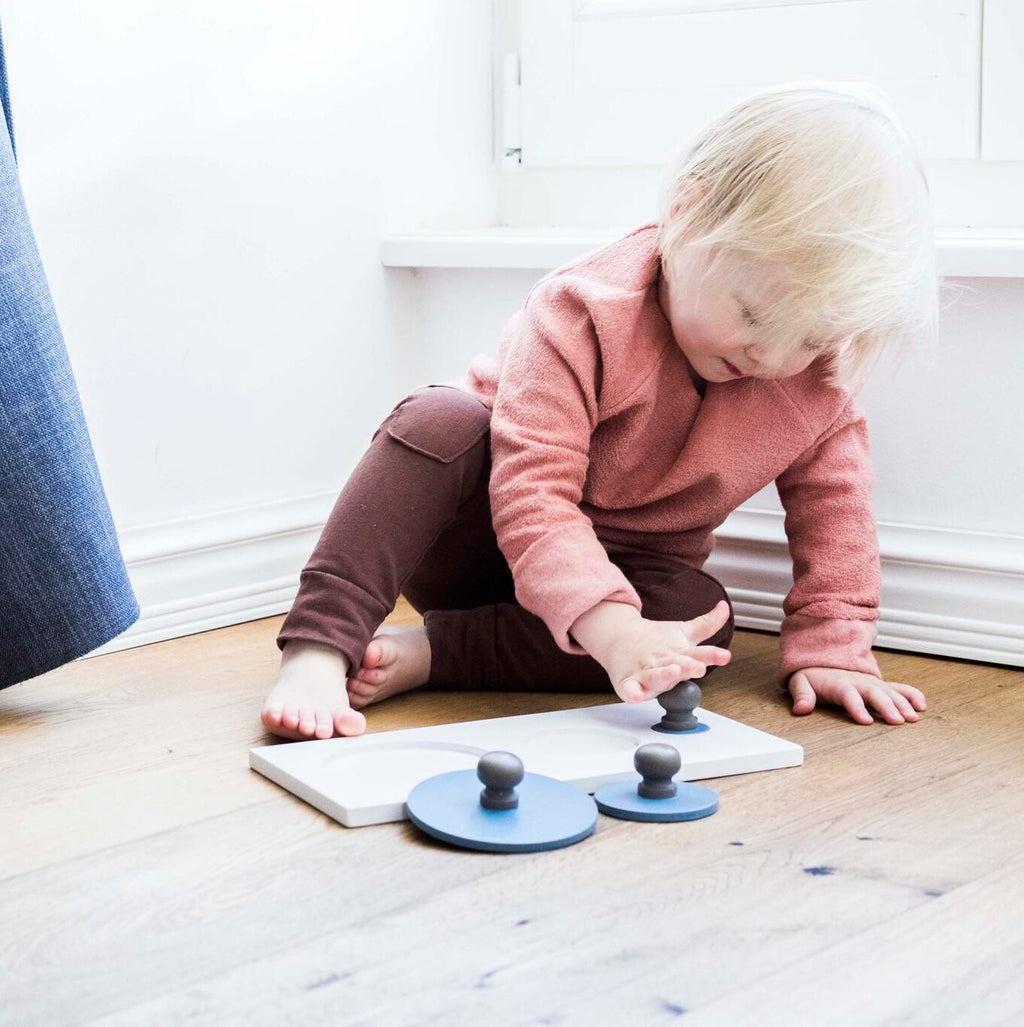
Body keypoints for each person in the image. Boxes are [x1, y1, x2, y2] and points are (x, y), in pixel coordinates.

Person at [261, 80, 936, 741]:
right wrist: (610, 625)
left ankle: (441, 654)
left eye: (811, 336)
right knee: (438, 419)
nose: (774, 355)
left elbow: (837, 517)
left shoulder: (813, 379)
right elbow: (532, 494)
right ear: (686, 212)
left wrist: (833, 646)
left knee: (700, 619)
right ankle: (321, 647)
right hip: (485, 536)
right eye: (753, 313)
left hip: (618, 578)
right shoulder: (582, 310)